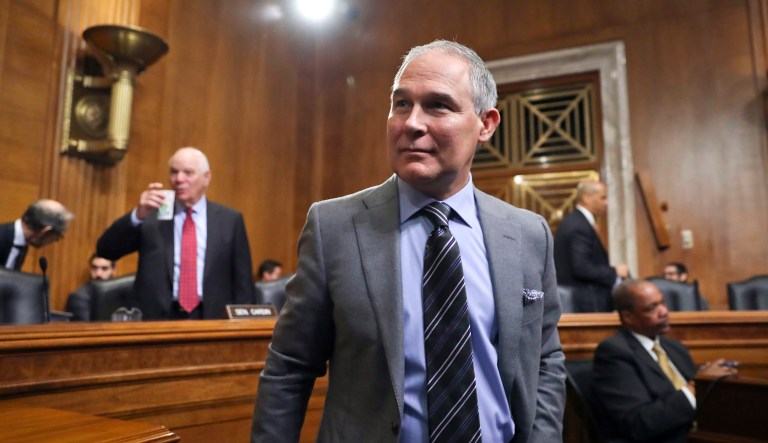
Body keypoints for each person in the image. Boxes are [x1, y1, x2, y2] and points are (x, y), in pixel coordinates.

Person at [252, 40, 565, 442]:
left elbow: (545, 358)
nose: (412, 123)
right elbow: (289, 367)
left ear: (485, 124)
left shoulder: (527, 233)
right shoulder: (333, 227)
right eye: (401, 104)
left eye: (438, 105)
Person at [97, 147, 256, 320]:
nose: (179, 179)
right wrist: (138, 215)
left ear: (206, 177)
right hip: (158, 320)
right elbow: (106, 250)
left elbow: (243, 282)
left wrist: (242, 326)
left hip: (212, 318)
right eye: (174, 172)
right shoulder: (151, 216)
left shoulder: (230, 220)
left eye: (188, 173)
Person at [592, 280, 737, 442]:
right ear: (628, 317)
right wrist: (697, 386)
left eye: (663, 303)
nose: (664, 312)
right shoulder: (614, 352)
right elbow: (638, 423)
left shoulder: (674, 346)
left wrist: (715, 380)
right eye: (652, 308)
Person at [553, 179, 629, 312]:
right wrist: (615, 271)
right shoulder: (579, 225)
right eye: (603, 198)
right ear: (587, 198)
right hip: (585, 302)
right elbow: (581, 267)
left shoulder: (577, 220)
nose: (606, 203)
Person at [0, 199, 74, 270]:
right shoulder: (2, 236)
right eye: (57, 237)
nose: (54, 241)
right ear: (46, 231)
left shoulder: (22, 244)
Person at [65, 253, 117, 321]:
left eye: (104, 268)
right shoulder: (79, 298)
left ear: (113, 270)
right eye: (94, 268)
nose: (98, 274)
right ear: (90, 269)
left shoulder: (121, 294)